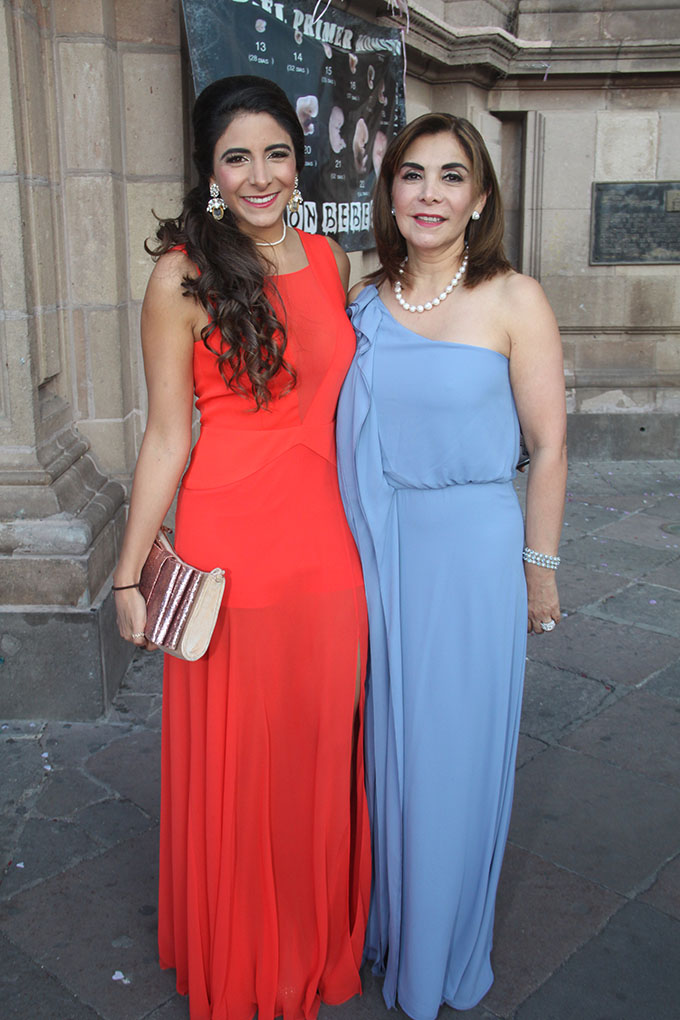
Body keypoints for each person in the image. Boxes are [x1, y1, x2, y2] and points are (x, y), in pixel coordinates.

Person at [113, 75, 370, 1020]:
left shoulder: (332, 259)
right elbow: (166, 437)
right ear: (209, 171)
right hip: (234, 551)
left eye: (276, 154)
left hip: (329, 547)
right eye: (236, 157)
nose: (259, 175)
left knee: (317, 750)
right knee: (245, 763)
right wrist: (128, 574)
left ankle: (306, 944)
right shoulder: (181, 276)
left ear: (300, 162)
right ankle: (245, 958)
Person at [336, 113, 567, 1017]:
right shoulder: (361, 297)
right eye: (412, 175)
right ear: (390, 192)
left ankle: (436, 956)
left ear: (479, 199)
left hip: (471, 557)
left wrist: (538, 566)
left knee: (448, 761)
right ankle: (394, 929)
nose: (429, 194)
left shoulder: (514, 298)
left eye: (451, 176)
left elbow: (549, 447)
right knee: (383, 752)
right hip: (377, 552)